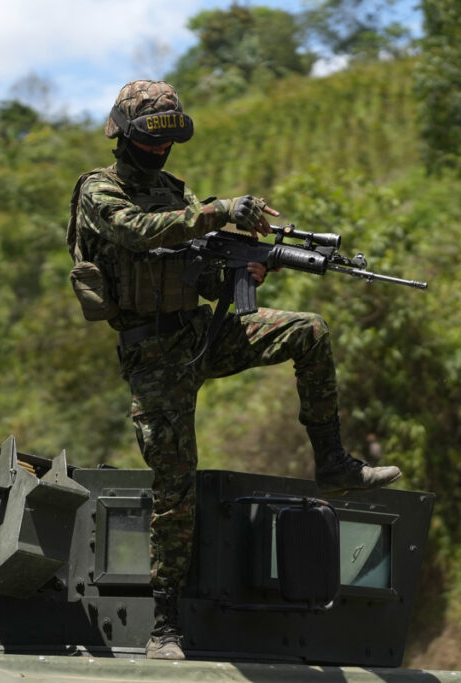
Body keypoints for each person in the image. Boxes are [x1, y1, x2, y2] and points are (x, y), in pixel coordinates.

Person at [66, 80, 401, 661]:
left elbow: (196, 273)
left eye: (171, 136)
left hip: (200, 332)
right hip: (152, 356)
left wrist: (243, 271)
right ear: (124, 132)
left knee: (309, 330)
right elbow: (135, 232)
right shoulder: (100, 189)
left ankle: (333, 463)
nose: (162, 148)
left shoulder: (177, 192)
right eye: (152, 136)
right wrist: (217, 212)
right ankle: (165, 624)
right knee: (176, 487)